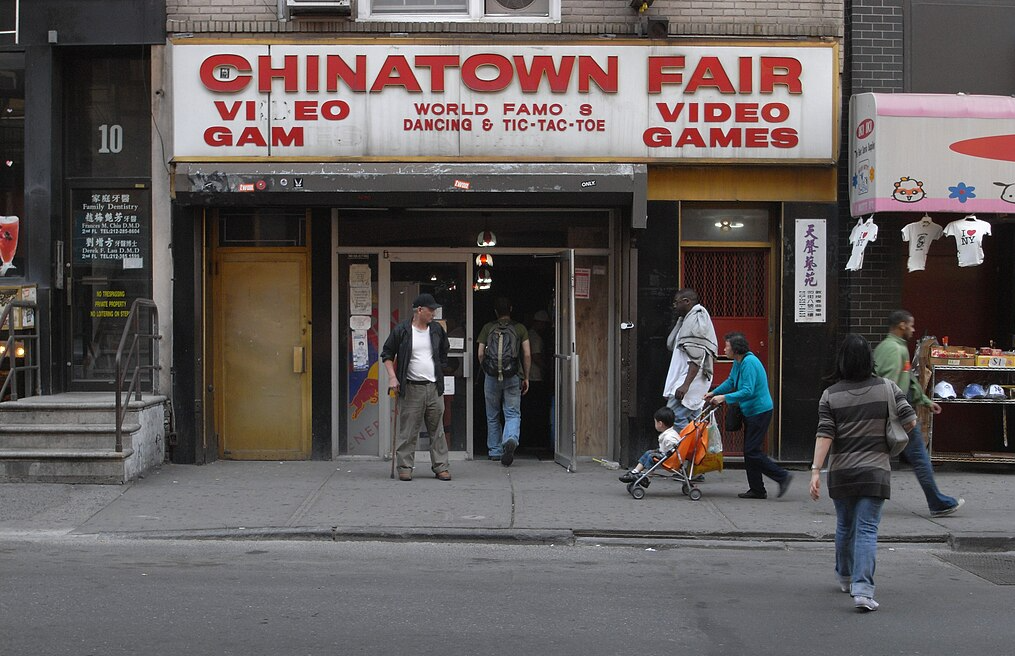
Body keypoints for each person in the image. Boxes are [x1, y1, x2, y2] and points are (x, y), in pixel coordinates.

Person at [810, 333, 917, 612]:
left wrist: (815, 471)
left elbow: (825, 434)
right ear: (870, 359)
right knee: (867, 530)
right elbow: (910, 421)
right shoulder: (888, 388)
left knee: (845, 526)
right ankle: (863, 591)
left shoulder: (830, 395)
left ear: (842, 361)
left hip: (841, 471)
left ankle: (845, 577)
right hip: (875, 471)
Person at [872, 310, 964, 517]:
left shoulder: (896, 347)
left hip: (894, 413)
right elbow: (890, 385)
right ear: (902, 325)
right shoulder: (893, 350)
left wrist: (924, 401)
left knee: (879, 457)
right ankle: (937, 502)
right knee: (919, 458)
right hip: (897, 415)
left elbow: (908, 381)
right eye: (911, 326)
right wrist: (902, 414)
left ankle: (856, 497)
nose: (913, 330)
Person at [705, 332, 792, 499]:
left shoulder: (749, 363)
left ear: (736, 349)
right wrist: (713, 392)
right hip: (750, 411)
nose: (724, 349)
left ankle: (782, 476)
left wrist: (724, 397)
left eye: (727, 347)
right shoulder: (738, 362)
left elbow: (748, 390)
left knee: (751, 450)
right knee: (750, 451)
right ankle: (757, 489)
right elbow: (731, 381)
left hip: (760, 411)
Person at [380, 293, 452, 482]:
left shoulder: (436, 330)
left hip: (434, 387)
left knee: (437, 430)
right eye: (430, 310)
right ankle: (404, 467)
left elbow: (445, 349)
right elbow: (387, 354)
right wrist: (392, 377)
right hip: (411, 387)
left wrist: (440, 370)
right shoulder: (402, 330)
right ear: (419, 310)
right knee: (408, 430)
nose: (433, 313)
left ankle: (441, 467)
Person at [477, 297, 531, 467]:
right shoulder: (520, 328)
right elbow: (527, 354)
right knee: (512, 413)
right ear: (511, 309)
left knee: (492, 414)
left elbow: (480, 353)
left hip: (492, 377)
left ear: (495, 312)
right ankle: (510, 439)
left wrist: (488, 370)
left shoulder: (488, 327)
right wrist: (526, 376)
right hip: (513, 375)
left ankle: (494, 451)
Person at [662, 288, 718, 433]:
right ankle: (697, 451)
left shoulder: (696, 321)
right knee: (693, 418)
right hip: (686, 379)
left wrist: (685, 385)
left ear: (686, 302)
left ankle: (687, 450)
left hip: (689, 380)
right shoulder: (687, 320)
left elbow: (697, 357)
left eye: (676, 302)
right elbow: (670, 344)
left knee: (673, 417)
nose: (674, 306)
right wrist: (680, 321)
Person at [619, 406, 679, 485]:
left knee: (651, 457)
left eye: (655, 422)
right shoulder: (669, 433)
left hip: (669, 457)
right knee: (649, 453)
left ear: (660, 424)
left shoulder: (669, 437)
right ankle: (635, 472)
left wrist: (666, 453)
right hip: (665, 453)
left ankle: (647, 477)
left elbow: (673, 448)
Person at [524, 309, 552, 450]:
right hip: (534, 378)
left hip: (530, 377)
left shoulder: (529, 334)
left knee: (530, 410)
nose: (545, 327)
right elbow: (535, 356)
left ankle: (530, 441)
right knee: (536, 411)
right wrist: (548, 368)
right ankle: (534, 442)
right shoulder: (535, 337)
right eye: (544, 324)